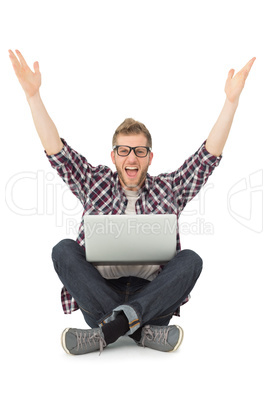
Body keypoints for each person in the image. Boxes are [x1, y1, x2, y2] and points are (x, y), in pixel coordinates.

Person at [9, 49, 255, 355]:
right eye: (124, 150)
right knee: (63, 251)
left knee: (191, 260)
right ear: (113, 156)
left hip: (152, 293)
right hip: (100, 293)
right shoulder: (93, 181)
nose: (132, 157)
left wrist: (231, 101)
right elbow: (57, 152)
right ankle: (141, 331)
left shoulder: (171, 188)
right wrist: (33, 96)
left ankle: (109, 330)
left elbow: (207, 158)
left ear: (150, 157)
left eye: (139, 151)